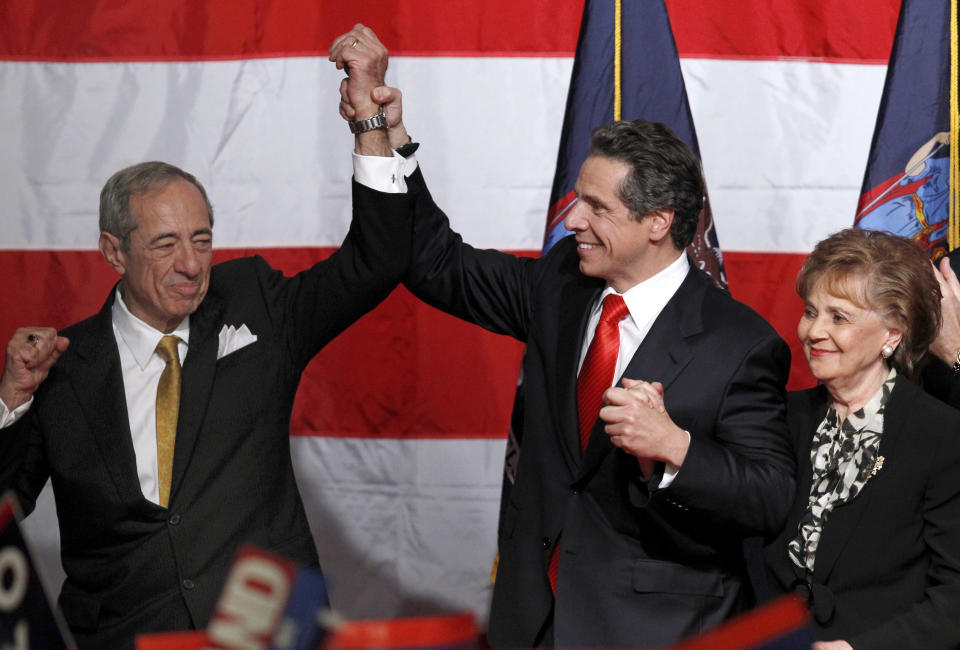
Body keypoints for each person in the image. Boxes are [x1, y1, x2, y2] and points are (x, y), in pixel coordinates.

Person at [332, 26, 795, 648]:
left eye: (596, 208)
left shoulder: (739, 343)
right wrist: (384, 133)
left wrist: (676, 446)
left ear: (657, 222)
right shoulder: (562, 285)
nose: (571, 219)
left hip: (654, 632)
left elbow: (770, 498)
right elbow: (435, 263)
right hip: (534, 620)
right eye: (577, 200)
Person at [0, 40, 412, 649]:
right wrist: (12, 399)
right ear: (114, 252)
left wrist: (370, 122)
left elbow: (377, 261)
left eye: (202, 239)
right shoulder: (61, 367)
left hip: (267, 632)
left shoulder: (255, 304)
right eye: (165, 245)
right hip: (125, 637)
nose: (191, 265)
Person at [763, 228, 960, 649]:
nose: (813, 331)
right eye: (810, 311)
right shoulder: (782, 417)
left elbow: (955, 595)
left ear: (893, 333)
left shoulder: (940, 434)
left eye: (839, 317)